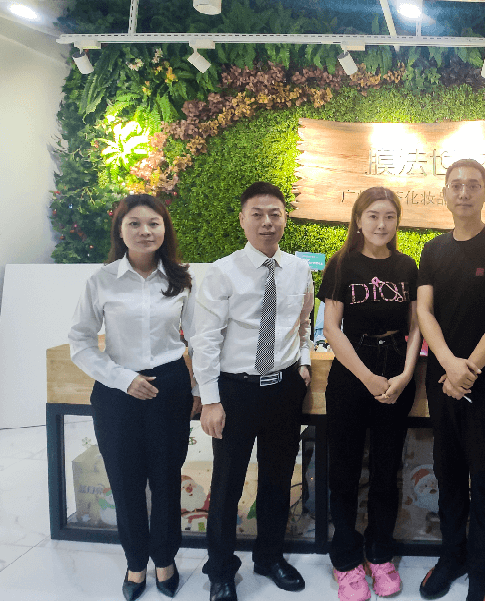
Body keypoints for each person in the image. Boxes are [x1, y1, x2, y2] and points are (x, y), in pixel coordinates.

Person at [69, 194, 195, 601]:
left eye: (153, 223)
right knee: (125, 482)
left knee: (166, 479)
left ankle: (165, 559)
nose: (145, 231)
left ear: (164, 229)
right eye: (135, 224)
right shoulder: (101, 281)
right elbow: (80, 342)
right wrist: (122, 379)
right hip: (117, 392)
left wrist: (198, 390)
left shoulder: (181, 279)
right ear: (120, 231)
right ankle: (136, 562)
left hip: (170, 387)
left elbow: (200, 339)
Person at [192, 182, 313, 601]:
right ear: (243, 219)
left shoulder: (299, 269)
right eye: (257, 214)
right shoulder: (222, 271)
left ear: (285, 219)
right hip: (235, 391)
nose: (267, 222)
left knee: (278, 480)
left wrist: (304, 360)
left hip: (283, 390)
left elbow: (303, 323)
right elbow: (206, 340)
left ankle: (270, 557)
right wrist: (210, 399)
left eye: (275, 214)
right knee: (228, 483)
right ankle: (221, 569)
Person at [416, 159, 485, 601]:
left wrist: (467, 371)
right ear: (445, 193)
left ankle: (481, 570)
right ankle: (451, 557)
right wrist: (448, 365)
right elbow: (424, 312)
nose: (464, 192)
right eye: (456, 185)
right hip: (442, 382)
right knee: (447, 474)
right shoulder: (432, 250)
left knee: (483, 479)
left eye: (473, 185)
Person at [318, 187, 422, 601]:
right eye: (374, 216)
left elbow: (417, 325)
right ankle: (346, 559)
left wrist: (405, 374)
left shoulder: (407, 265)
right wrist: (367, 377)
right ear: (358, 220)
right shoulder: (341, 263)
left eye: (389, 217)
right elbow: (331, 328)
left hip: (396, 367)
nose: (382, 224)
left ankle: (380, 553)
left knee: (385, 470)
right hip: (352, 371)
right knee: (344, 471)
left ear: (397, 221)